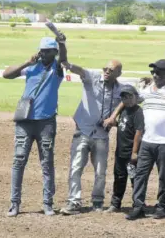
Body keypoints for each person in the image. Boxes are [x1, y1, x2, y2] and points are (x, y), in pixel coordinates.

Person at [3, 33, 67, 217]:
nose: (43, 54)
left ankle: (48, 203)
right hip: (25, 121)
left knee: (47, 163)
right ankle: (14, 203)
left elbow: (64, 58)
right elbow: (6, 75)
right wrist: (26, 62)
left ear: (54, 52)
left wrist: (62, 43)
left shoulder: (57, 68)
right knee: (19, 160)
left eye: (47, 51)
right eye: (42, 51)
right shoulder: (31, 67)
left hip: (46, 122)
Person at [106, 59, 165, 220]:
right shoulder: (147, 89)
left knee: (164, 176)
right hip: (147, 140)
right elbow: (129, 100)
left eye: (158, 72)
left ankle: (162, 207)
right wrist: (113, 116)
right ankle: (138, 207)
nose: (154, 75)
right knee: (140, 174)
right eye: (153, 72)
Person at [59, 59, 123, 215]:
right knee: (76, 168)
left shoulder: (121, 90)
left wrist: (114, 117)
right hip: (83, 131)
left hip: (102, 136)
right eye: (105, 68)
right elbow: (81, 71)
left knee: (101, 171)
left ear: (119, 73)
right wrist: (69, 65)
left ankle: (98, 201)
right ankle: (73, 201)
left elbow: (135, 98)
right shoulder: (93, 77)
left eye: (111, 70)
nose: (107, 71)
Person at [104, 84, 145, 213]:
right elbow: (124, 124)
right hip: (120, 152)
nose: (127, 99)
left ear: (135, 97)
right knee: (119, 177)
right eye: (124, 97)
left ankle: (138, 205)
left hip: (130, 154)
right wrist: (113, 122)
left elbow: (138, 132)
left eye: (129, 96)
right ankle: (115, 204)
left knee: (134, 179)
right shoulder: (124, 110)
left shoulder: (138, 112)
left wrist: (134, 153)